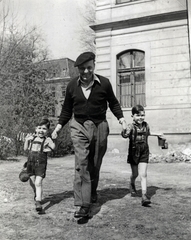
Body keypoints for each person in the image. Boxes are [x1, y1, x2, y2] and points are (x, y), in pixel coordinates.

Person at [52, 52, 127, 218]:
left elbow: (113, 103)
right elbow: (66, 110)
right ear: (78, 69)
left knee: (94, 163)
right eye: (82, 69)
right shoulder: (72, 86)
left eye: (89, 68)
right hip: (78, 126)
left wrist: (122, 120)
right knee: (81, 164)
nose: (86, 72)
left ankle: (92, 192)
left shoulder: (104, 84)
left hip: (100, 126)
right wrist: (58, 127)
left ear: (94, 66)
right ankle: (83, 204)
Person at [121, 105, 164, 206]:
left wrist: (158, 134)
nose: (141, 117)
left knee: (143, 174)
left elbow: (148, 133)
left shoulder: (146, 125)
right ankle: (132, 183)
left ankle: (144, 196)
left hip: (144, 151)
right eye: (138, 115)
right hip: (133, 152)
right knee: (135, 174)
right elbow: (125, 135)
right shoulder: (130, 126)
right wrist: (123, 125)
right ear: (133, 116)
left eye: (142, 115)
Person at [24, 118, 55, 211]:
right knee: (33, 182)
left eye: (44, 129)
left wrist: (51, 140)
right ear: (35, 128)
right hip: (30, 163)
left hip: (40, 164)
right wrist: (26, 140)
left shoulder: (46, 140)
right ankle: (37, 193)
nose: (41, 130)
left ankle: (38, 202)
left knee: (38, 182)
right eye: (39, 128)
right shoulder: (32, 138)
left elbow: (53, 147)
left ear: (47, 130)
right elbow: (26, 149)